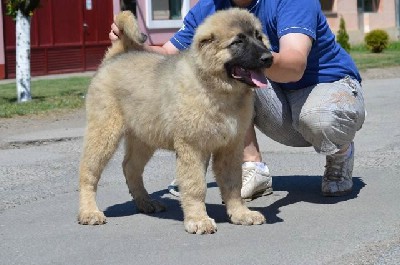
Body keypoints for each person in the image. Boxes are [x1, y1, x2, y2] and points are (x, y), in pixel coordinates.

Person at [109, 0, 366, 199]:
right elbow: (168, 53)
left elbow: (295, 64)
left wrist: (245, 55)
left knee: (319, 119)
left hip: (324, 87)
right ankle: (253, 167)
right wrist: (132, 44)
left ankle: (340, 153)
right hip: (272, 93)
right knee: (221, 79)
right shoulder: (211, 8)